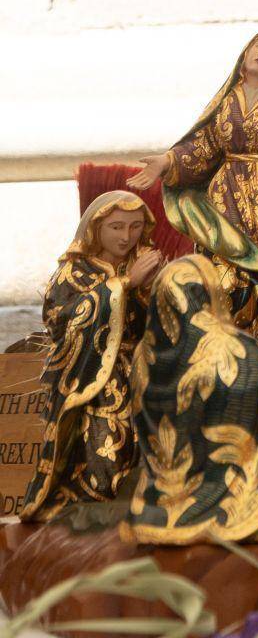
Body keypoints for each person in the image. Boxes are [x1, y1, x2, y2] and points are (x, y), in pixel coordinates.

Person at [128, 30, 258, 340]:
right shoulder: (227, 100)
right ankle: (221, 344)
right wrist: (167, 161)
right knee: (221, 276)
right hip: (223, 207)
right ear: (246, 51)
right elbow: (203, 146)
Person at [123, 255, 258, 546]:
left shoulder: (143, 354)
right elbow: (251, 372)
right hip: (221, 492)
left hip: (160, 494)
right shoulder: (224, 347)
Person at [17, 191, 166, 523]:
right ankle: (93, 506)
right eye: (116, 227)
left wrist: (157, 289)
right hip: (93, 378)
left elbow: (155, 325)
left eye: (135, 226)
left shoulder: (142, 261)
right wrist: (126, 284)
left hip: (141, 371)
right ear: (95, 228)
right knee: (107, 442)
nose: (126, 236)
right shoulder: (73, 272)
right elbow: (61, 320)